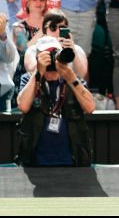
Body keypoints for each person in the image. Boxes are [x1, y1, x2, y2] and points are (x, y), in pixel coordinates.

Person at [15, 12, 94, 166]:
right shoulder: (31, 79)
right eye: (47, 54)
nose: (51, 59)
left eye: (54, 54)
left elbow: (90, 107)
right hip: (35, 164)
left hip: (73, 162)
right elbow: (23, 106)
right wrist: (39, 72)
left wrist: (70, 77)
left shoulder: (72, 79)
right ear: (38, 55)